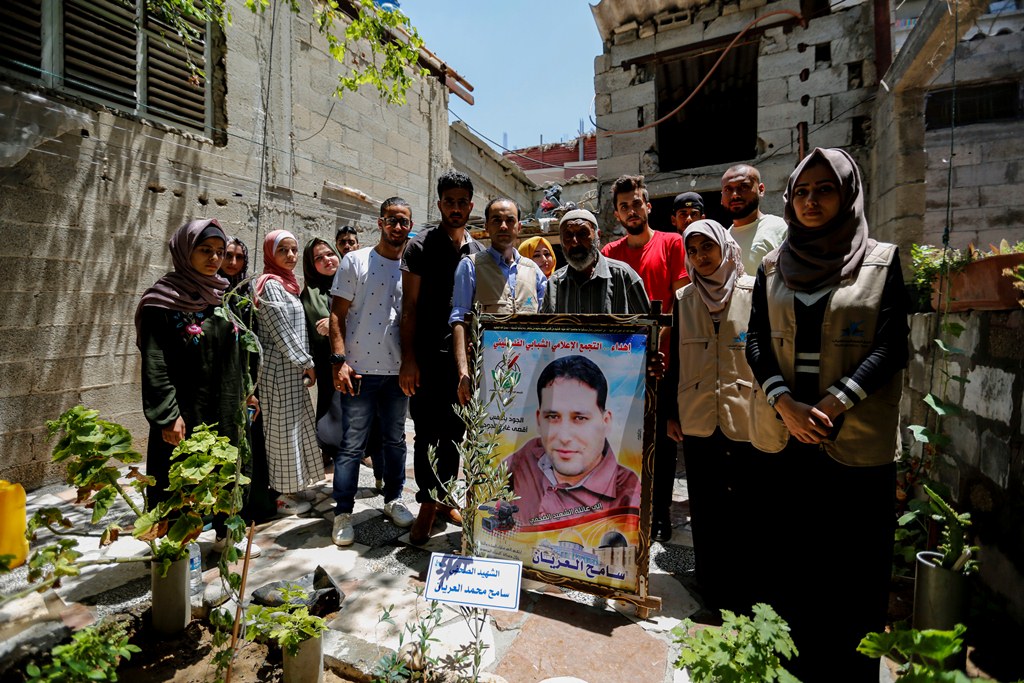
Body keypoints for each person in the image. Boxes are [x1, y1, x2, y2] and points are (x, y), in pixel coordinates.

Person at [745, 148, 909, 681]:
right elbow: (755, 341)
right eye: (801, 191)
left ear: (848, 194)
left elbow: (892, 346)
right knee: (790, 562)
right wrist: (785, 404)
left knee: (853, 569)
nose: (811, 201)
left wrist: (834, 402)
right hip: (786, 438)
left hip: (853, 442)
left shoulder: (880, 262)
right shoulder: (773, 266)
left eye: (824, 189)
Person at [136, 220, 261, 526]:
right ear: (185, 251)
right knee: (178, 475)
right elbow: (155, 362)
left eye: (220, 251)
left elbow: (239, 353)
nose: (215, 258)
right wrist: (167, 416)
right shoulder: (161, 302)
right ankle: (176, 544)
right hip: (185, 410)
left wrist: (249, 393)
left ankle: (224, 537)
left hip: (226, 406)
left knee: (227, 472)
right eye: (205, 250)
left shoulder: (223, 297)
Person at [664, 219, 757, 609]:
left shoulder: (754, 292)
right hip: (698, 412)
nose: (701, 256)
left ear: (725, 247)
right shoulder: (684, 298)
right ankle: (711, 585)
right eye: (693, 250)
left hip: (745, 414)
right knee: (705, 502)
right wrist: (670, 413)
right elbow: (675, 360)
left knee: (744, 504)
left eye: (708, 247)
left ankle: (745, 588)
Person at [400, 170, 484, 544]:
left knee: (454, 432)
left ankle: (445, 497)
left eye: (462, 202)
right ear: (439, 204)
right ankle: (426, 502)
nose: (456, 208)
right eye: (449, 201)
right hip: (427, 358)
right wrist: (408, 359)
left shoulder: (477, 251)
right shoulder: (420, 247)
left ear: (470, 205)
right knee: (426, 432)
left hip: (463, 361)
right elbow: (409, 307)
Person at [602, 174, 687, 542]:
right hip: (621, 366)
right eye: (624, 206)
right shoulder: (610, 252)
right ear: (617, 215)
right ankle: (625, 509)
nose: (631, 210)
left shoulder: (672, 243)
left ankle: (661, 512)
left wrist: (653, 348)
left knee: (662, 444)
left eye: (636, 203)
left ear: (648, 206)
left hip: (661, 363)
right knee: (622, 440)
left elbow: (679, 302)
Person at [327, 198, 416, 545]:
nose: (398, 227)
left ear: (410, 227)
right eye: (392, 220)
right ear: (380, 223)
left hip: (397, 372)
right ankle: (343, 513)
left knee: (395, 440)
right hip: (359, 371)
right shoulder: (355, 261)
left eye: (404, 222)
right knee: (352, 445)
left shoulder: (412, 268)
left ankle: (393, 499)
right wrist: (339, 361)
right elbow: (337, 314)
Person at [506, 355, 640, 527]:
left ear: (605, 422)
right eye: (552, 417)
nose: (564, 437)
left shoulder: (628, 494)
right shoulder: (529, 455)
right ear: (539, 420)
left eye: (580, 418)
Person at [451, 198, 547, 405]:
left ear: (519, 227)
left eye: (510, 220)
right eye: (496, 220)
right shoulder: (470, 266)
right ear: (486, 226)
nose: (503, 226)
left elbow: (546, 322)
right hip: (485, 375)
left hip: (529, 373)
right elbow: (459, 321)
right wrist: (463, 373)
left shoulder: (534, 272)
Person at [255, 230, 321, 515]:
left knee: (295, 427)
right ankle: (282, 495)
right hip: (279, 370)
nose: (291, 255)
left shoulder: (288, 285)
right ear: (271, 253)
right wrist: (307, 362)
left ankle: (294, 485)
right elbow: (282, 331)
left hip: (292, 370)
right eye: (283, 250)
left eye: (294, 250)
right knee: (282, 432)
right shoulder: (269, 285)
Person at [540, 209, 649, 315]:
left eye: (583, 233)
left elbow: (646, 324)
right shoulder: (554, 284)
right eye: (568, 235)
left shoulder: (624, 276)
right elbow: (544, 326)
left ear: (598, 236)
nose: (575, 242)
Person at [300, 237, 340, 428]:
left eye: (330, 254)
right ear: (311, 265)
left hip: (361, 362)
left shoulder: (356, 284)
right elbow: (316, 330)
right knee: (331, 421)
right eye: (318, 258)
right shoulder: (311, 294)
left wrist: (334, 323)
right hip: (329, 365)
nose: (327, 260)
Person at [720, 164, 788, 276]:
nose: (735, 195)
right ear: (721, 197)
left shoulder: (780, 229)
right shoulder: (722, 239)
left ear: (761, 190)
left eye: (743, 187)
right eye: (728, 189)